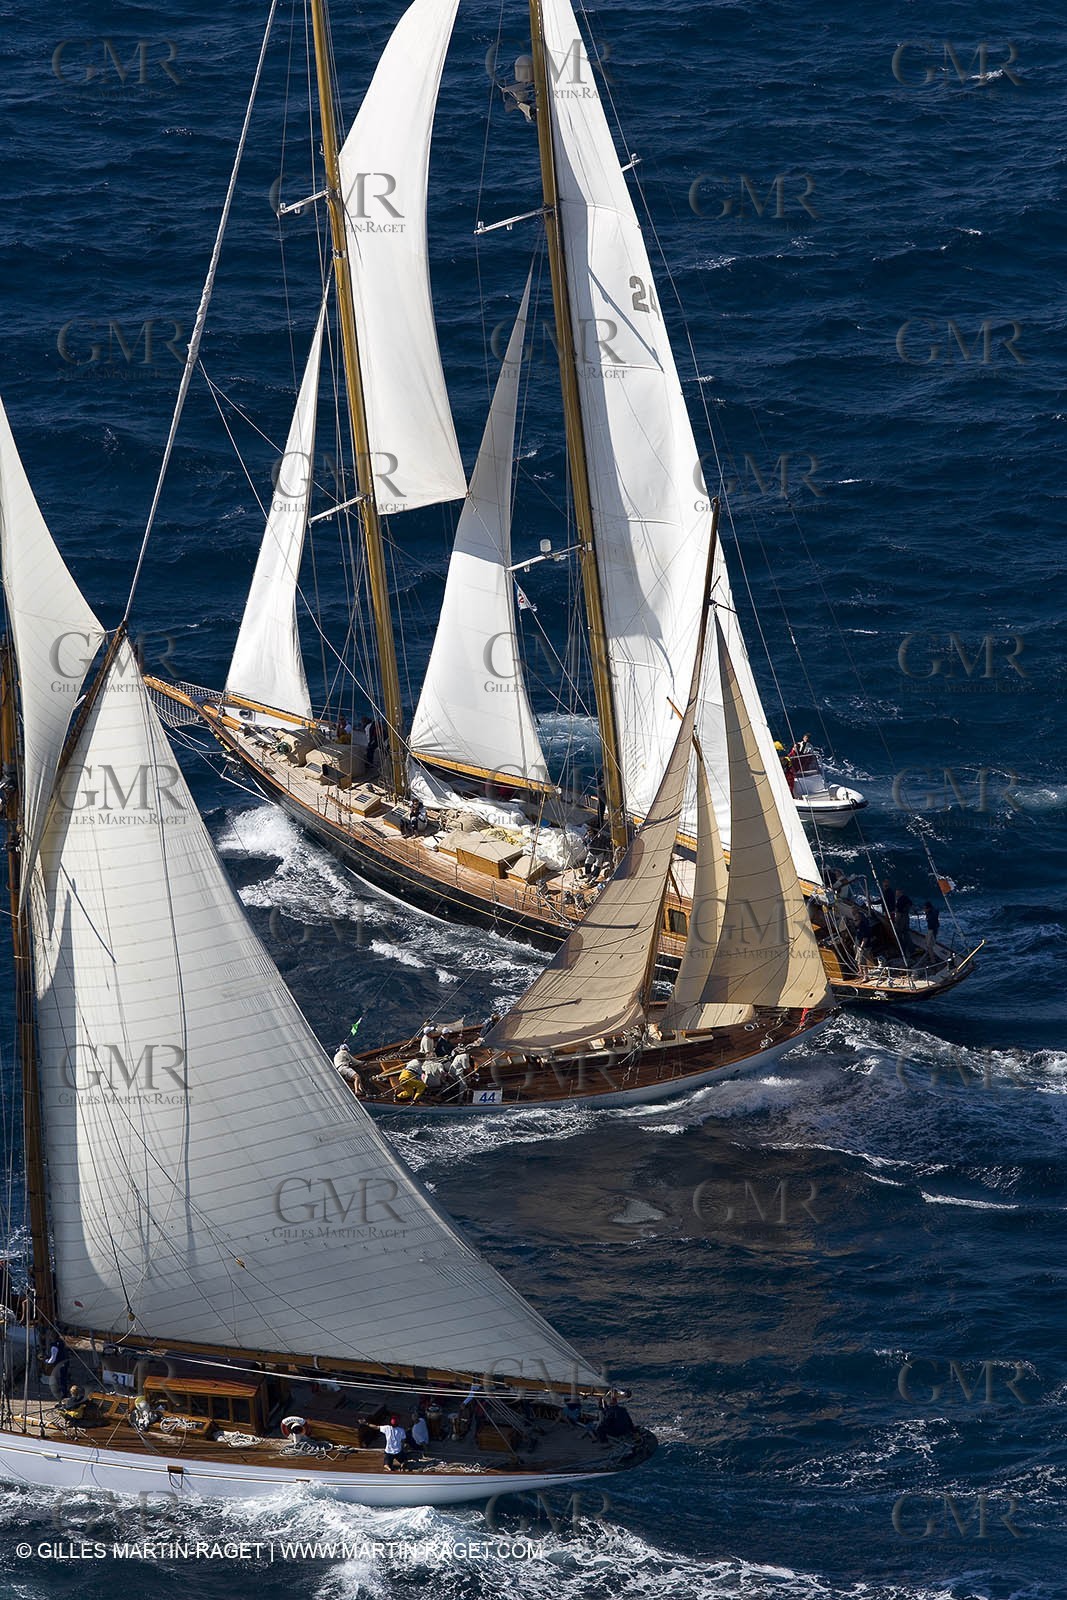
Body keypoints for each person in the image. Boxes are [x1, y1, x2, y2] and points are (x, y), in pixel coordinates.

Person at [44, 1335, 70, 1401]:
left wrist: (46, 1361)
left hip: (59, 1364)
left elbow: (53, 1358)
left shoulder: (54, 1346)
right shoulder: (61, 1342)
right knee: (63, 1378)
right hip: (65, 1362)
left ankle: (60, 1394)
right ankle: (64, 1393)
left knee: (58, 1379)